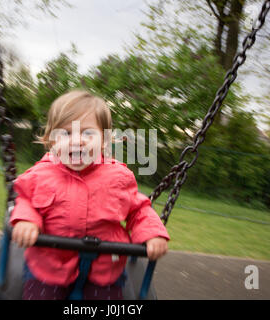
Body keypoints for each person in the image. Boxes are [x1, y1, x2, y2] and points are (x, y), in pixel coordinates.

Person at [10, 89, 169, 300]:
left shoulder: (119, 177)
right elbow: (25, 200)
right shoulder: (40, 174)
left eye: (87, 133)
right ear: (51, 141)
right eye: (66, 133)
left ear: (104, 140)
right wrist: (27, 221)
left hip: (104, 271)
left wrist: (153, 233)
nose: (77, 141)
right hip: (49, 267)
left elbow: (139, 210)